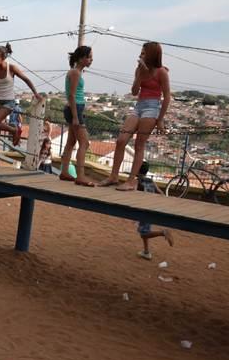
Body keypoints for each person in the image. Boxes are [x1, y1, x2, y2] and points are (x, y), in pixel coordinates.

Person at [99, 41, 171, 191]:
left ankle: (131, 181)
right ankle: (114, 176)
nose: (140, 55)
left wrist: (160, 120)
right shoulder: (139, 70)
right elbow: (134, 91)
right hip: (139, 106)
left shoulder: (161, 72)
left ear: (151, 54)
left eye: (144, 53)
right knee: (121, 141)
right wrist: (140, 74)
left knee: (139, 145)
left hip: (152, 107)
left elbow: (167, 97)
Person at [0, 44, 41, 168]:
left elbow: (26, 79)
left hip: (9, 102)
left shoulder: (11, 68)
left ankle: (15, 130)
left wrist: (35, 93)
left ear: (3, 58)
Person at [59, 46, 95, 187]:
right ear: (81, 58)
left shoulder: (77, 72)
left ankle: (65, 171)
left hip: (74, 109)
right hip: (75, 109)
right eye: (89, 57)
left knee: (71, 143)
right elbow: (72, 95)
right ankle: (80, 176)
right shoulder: (75, 73)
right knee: (84, 143)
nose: (91, 60)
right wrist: (75, 116)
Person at [135, 161, 174, 260]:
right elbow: (160, 193)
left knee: (144, 233)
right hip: (151, 208)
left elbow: (133, 194)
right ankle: (146, 252)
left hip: (143, 210)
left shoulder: (137, 182)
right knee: (144, 231)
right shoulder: (150, 181)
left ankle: (163, 233)